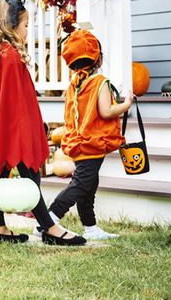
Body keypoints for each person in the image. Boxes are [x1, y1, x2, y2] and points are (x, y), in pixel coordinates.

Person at [0, 0, 85, 246]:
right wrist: (31, 128)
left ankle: (0, 228)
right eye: (25, 26)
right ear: (11, 26)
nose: (27, 32)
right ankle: (48, 227)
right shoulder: (10, 55)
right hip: (15, 125)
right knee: (29, 174)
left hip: (3, 123)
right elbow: (16, 100)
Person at [45, 29, 132, 240]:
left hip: (79, 141)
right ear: (98, 58)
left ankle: (91, 228)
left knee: (89, 186)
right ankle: (49, 219)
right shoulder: (99, 81)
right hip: (92, 143)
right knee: (82, 184)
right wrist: (126, 104)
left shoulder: (76, 83)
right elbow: (106, 111)